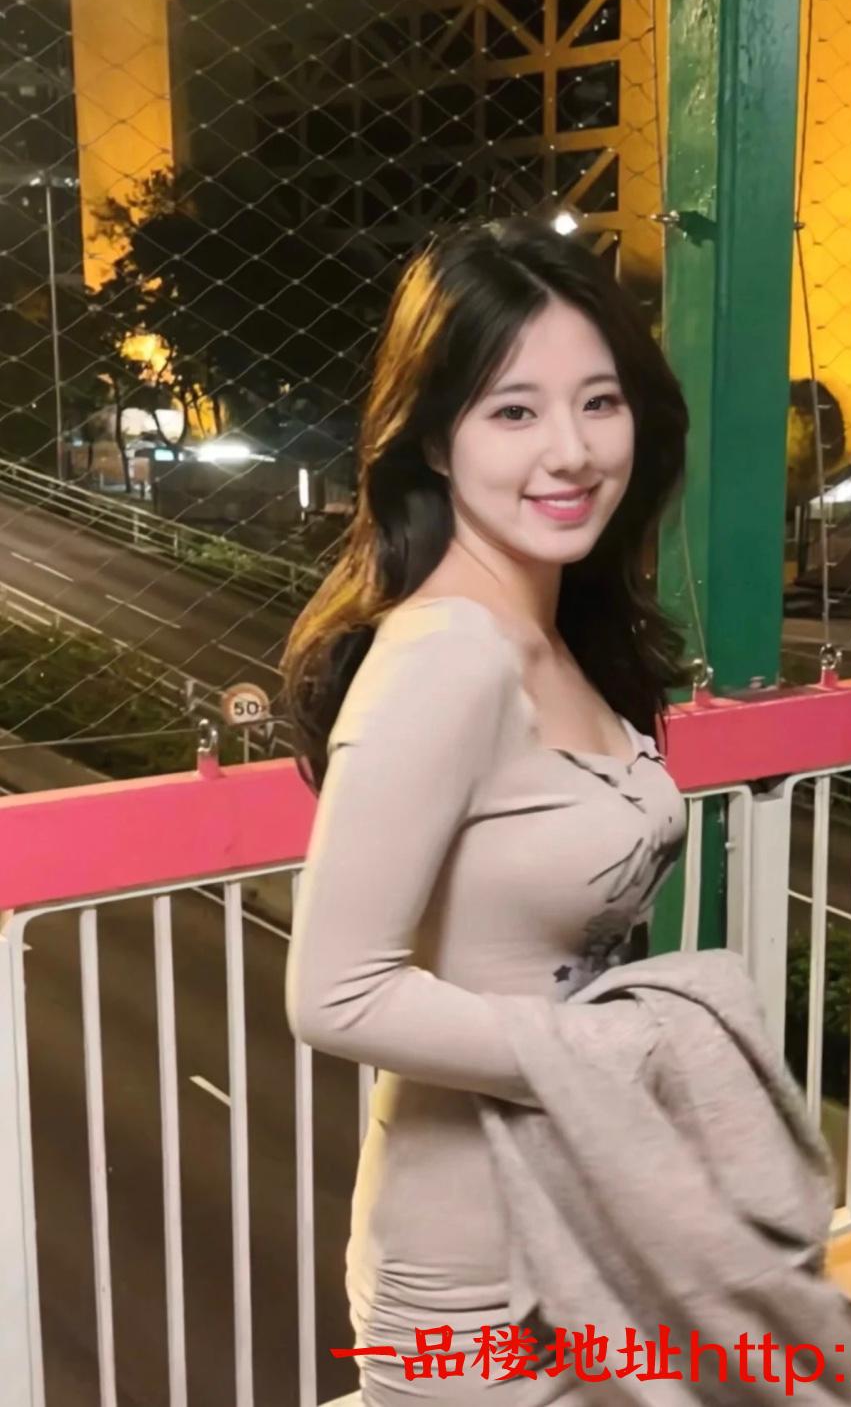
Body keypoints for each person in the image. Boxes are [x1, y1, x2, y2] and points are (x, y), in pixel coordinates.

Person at [281, 216, 696, 1402]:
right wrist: (606, 1052)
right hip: (476, 1281)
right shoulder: (444, 658)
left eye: (599, 402)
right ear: (433, 438)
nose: (571, 451)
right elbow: (335, 991)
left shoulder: (557, 634)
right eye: (514, 411)